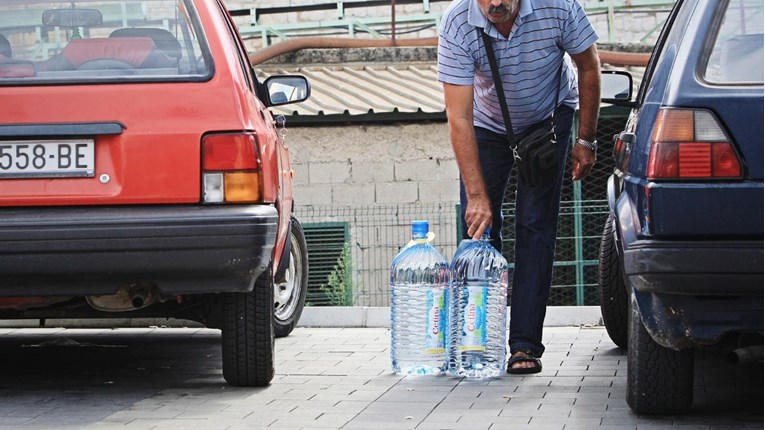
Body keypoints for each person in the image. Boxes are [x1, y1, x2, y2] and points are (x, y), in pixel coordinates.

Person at [437, 0, 600, 374]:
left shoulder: (557, 6)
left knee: (534, 226)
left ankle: (524, 344)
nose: (495, 3)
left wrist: (586, 140)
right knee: (479, 232)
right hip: (487, 124)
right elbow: (458, 116)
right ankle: (477, 342)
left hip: (549, 116)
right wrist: (477, 196)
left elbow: (588, 66)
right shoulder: (457, 22)